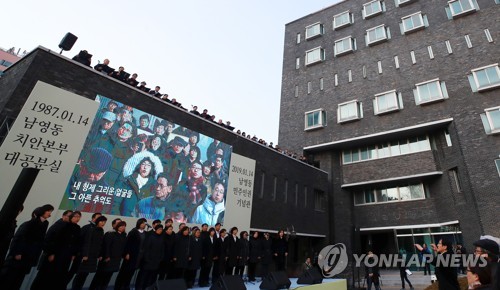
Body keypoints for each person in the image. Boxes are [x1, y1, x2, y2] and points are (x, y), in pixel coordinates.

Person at [0, 205, 53, 290]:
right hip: (19, 256)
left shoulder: (44, 224)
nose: (50, 213)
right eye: (48, 211)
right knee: (8, 280)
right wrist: (17, 252)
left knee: (18, 280)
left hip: (29, 257)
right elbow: (19, 238)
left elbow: (40, 241)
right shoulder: (30, 224)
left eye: (51, 211)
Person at [32, 210, 81, 290]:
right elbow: (53, 240)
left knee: (58, 277)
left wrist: (74, 253)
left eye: (79, 217)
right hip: (55, 255)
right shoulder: (62, 226)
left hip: (66, 257)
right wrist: (51, 253)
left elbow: (76, 242)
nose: (77, 218)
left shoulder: (77, 228)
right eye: (75, 216)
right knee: (45, 277)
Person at [62, 147, 114, 213]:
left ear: (104, 172)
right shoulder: (66, 176)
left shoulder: (106, 193)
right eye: (88, 170)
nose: (91, 175)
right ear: (81, 163)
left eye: (97, 173)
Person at [71, 215, 107, 290]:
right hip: (87, 255)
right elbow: (87, 242)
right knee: (80, 274)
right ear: (97, 221)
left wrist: (99, 254)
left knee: (85, 274)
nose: (103, 223)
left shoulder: (101, 231)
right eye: (101, 221)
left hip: (93, 256)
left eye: (104, 222)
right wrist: (85, 254)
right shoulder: (91, 229)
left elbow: (100, 244)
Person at [89, 221, 127, 290]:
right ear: (116, 226)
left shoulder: (124, 235)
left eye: (124, 226)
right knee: (101, 277)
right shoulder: (111, 234)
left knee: (108, 277)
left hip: (116, 259)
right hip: (108, 259)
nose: (122, 227)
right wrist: (107, 256)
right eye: (121, 226)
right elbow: (106, 246)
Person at [114, 218, 147, 290]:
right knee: (124, 272)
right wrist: (127, 253)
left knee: (131, 272)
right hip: (131, 255)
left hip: (139, 256)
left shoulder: (145, 233)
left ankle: (126, 286)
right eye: (142, 223)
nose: (144, 225)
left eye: (144, 223)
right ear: (139, 224)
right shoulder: (133, 232)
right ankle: (119, 287)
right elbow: (128, 243)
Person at [135, 224, 165, 290]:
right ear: (156, 229)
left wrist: (160, 258)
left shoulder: (161, 238)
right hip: (148, 261)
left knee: (152, 276)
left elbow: (162, 249)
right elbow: (146, 249)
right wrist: (147, 259)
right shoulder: (150, 237)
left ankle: (149, 288)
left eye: (161, 230)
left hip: (156, 261)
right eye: (159, 229)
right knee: (144, 276)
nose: (160, 231)